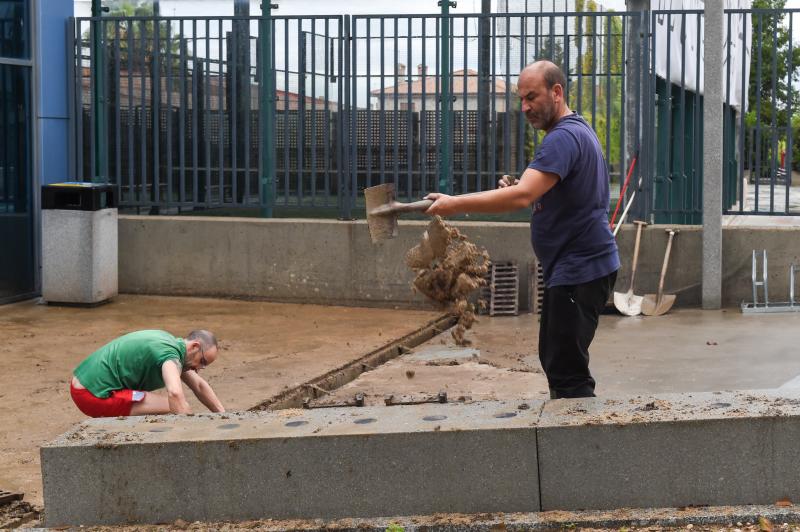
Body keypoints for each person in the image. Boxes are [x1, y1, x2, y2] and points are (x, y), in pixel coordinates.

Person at [425, 60, 620, 399]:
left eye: (532, 97)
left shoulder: (562, 138)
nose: (525, 107)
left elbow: (523, 195)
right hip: (581, 267)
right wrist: (520, 187)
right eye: (521, 100)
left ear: (556, 92)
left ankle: (577, 441)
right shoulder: (577, 130)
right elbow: (546, 191)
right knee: (559, 360)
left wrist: (453, 203)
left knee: (566, 371)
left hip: (579, 269)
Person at [70, 329, 226, 417]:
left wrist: (224, 417)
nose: (199, 369)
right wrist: (191, 435)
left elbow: (199, 385)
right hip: (92, 394)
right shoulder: (170, 357)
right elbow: (175, 394)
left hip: (86, 385)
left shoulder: (173, 347)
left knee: (171, 407)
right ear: (194, 347)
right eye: (202, 362)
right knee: (172, 406)